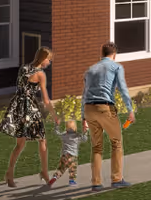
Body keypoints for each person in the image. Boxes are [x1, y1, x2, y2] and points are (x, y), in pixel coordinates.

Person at [83, 41, 135, 191]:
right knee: (116, 142)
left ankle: (96, 182)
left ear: (102, 54)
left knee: (97, 147)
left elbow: (84, 93)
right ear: (114, 54)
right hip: (105, 108)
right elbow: (123, 89)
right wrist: (130, 110)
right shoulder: (116, 66)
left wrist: (83, 118)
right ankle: (117, 178)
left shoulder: (90, 70)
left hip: (89, 109)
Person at [0, 47, 53, 187]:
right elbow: (46, 100)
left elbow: (21, 87)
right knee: (42, 141)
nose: (49, 62)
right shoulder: (40, 74)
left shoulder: (23, 68)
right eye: (48, 59)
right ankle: (45, 173)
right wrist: (55, 115)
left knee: (20, 144)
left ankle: (9, 173)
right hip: (30, 109)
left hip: (17, 107)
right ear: (43, 59)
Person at [48, 116, 84, 187]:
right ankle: (72, 181)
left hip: (64, 155)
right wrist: (85, 131)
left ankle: (55, 177)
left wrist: (57, 125)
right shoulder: (77, 136)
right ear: (75, 127)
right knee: (72, 169)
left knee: (61, 169)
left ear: (66, 127)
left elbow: (57, 132)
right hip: (73, 156)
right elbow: (84, 139)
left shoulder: (64, 135)